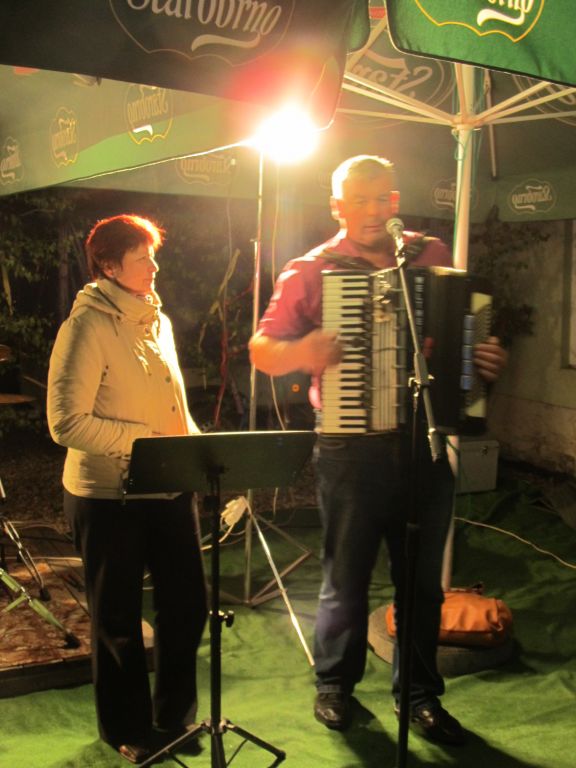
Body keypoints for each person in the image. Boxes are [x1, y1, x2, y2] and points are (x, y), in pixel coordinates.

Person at [249, 156, 507, 745]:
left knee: (422, 584)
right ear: (337, 207)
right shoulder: (311, 270)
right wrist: (305, 350)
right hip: (349, 448)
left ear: (395, 201)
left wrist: (484, 358)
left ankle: (419, 695)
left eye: (382, 199)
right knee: (346, 577)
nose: (372, 211)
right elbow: (263, 349)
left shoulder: (429, 254)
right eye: (359, 201)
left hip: (424, 441)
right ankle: (335, 685)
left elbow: (464, 336)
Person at [47, 214, 208, 764]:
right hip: (107, 498)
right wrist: (144, 445)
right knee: (117, 620)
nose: (154, 266)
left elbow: (173, 405)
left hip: (170, 488)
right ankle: (128, 728)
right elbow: (66, 422)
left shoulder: (156, 319)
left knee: (187, 606)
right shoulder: (86, 327)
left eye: (153, 254)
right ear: (110, 267)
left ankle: (174, 717)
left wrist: (198, 451)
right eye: (143, 258)